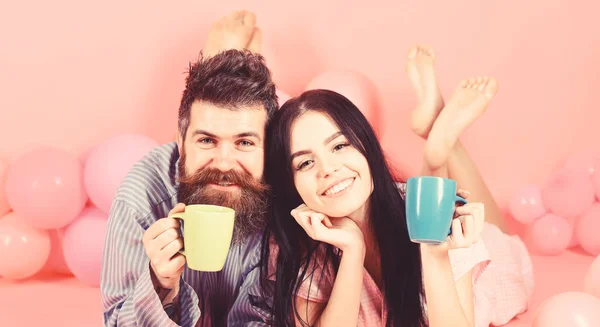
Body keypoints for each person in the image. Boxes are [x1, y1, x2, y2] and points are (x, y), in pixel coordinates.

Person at [255, 45, 533, 326]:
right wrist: (353, 250)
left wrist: (436, 255)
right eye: (305, 163)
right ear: (290, 184)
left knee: (501, 239)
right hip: (413, 209)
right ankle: (439, 145)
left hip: (477, 270)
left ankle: (441, 149)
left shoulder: (440, 220)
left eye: (340, 146)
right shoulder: (297, 244)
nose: (328, 170)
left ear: (368, 149)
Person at [100, 10, 278, 327]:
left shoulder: (290, 195)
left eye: (245, 143)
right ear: (180, 143)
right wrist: (160, 284)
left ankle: (228, 58)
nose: (224, 163)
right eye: (207, 141)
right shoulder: (140, 196)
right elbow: (116, 323)